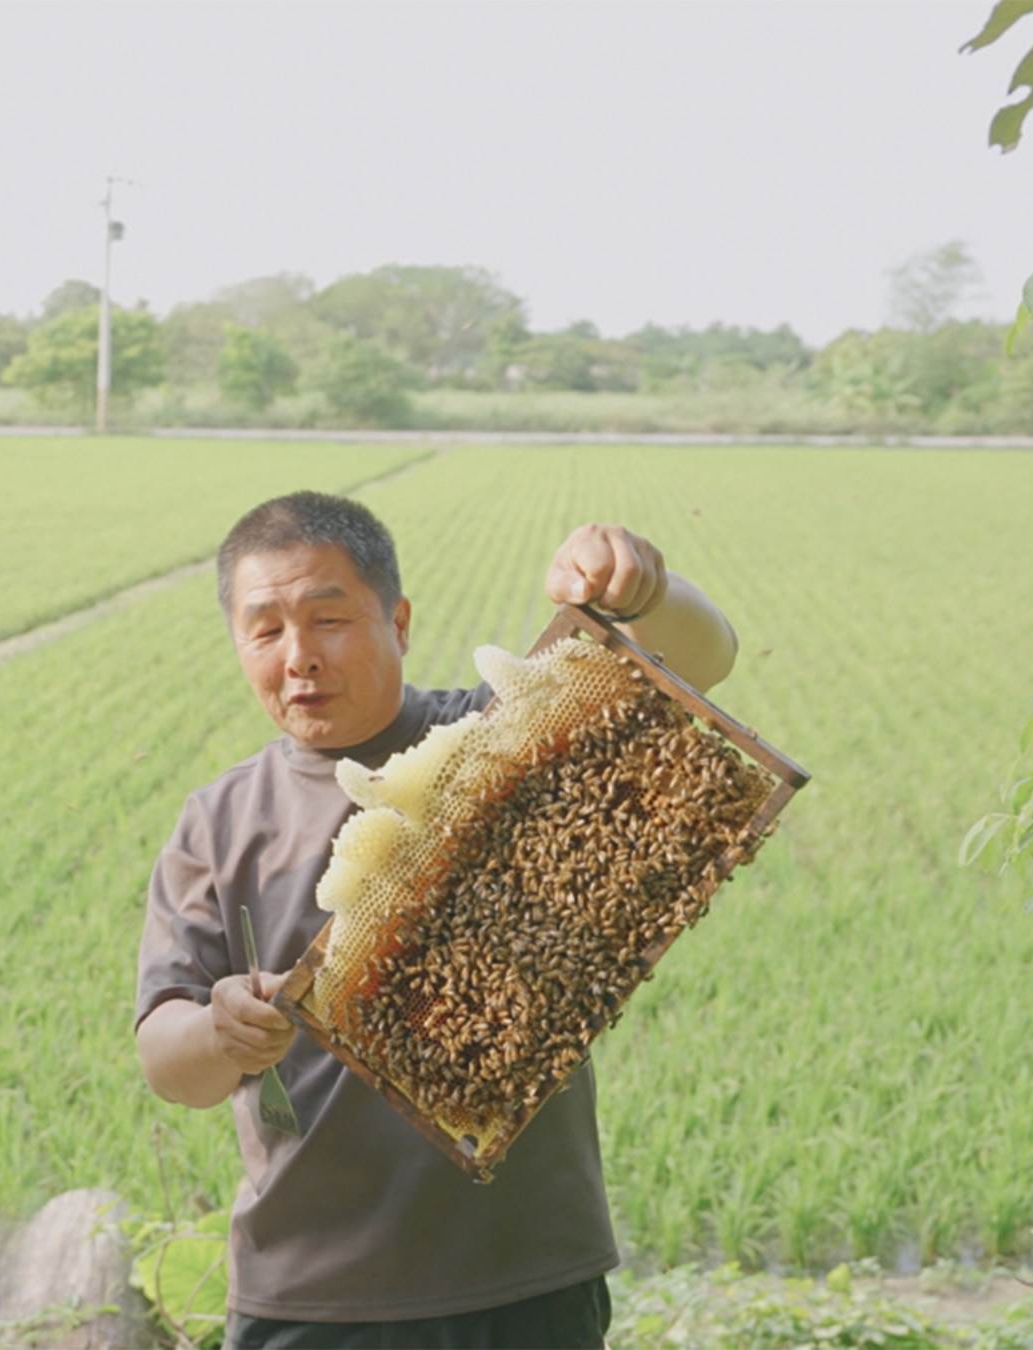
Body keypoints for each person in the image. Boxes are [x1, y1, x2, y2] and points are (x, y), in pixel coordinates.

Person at [134, 491, 738, 1349]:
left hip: (524, 1272)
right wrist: (221, 1032)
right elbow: (168, 1060)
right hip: (308, 1293)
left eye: (329, 619)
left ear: (400, 621)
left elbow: (702, 657)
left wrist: (641, 595)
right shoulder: (220, 823)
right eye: (265, 631)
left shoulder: (496, 736)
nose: (299, 657)